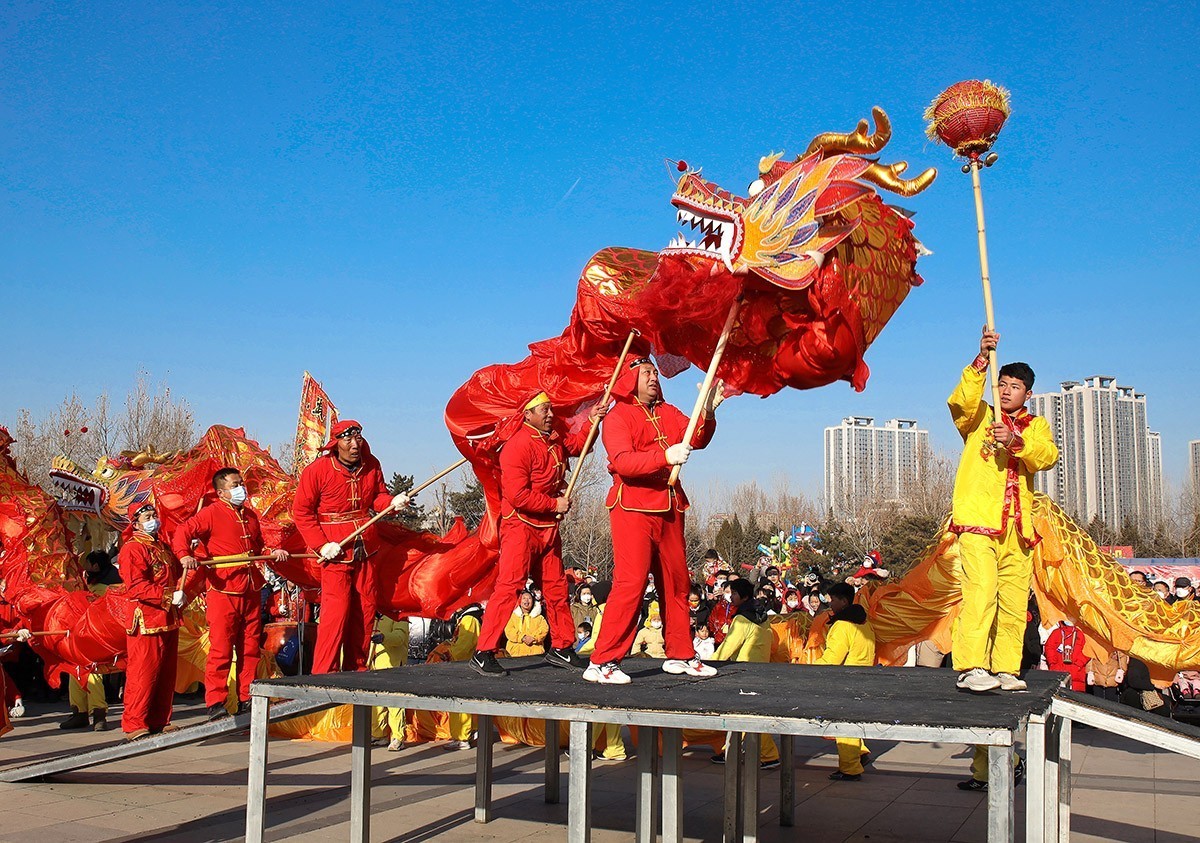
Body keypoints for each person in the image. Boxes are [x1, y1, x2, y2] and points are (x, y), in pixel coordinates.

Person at [583, 357, 723, 685]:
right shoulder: (618, 415)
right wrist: (664, 456)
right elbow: (623, 461)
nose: (654, 378)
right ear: (629, 378)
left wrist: (709, 411)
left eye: (655, 373)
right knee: (631, 583)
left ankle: (680, 653)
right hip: (633, 506)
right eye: (646, 372)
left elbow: (696, 437)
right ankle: (602, 660)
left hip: (670, 504)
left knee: (677, 583)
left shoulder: (667, 410)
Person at [948, 326, 1059, 693]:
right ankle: (971, 665)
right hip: (979, 520)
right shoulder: (979, 417)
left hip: (1018, 529)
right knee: (981, 592)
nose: (1007, 390)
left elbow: (1046, 456)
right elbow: (960, 402)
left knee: (1013, 600)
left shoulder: (1036, 426)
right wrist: (980, 358)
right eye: (1003, 383)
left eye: (1015, 386)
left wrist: (1015, 441)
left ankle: (1007, 668)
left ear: (1028, 393)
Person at [471, 393, 603, 676]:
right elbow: (517, 495)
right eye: (544, 410)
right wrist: (555, 503)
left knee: (556, 588)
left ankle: (563, 646)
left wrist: (592, 422)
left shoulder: (552, 439)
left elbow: (575, 446)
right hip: (520, 527)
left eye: (550, 409)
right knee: (510, 586)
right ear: (528, 414)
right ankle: (484, 651)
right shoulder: (517, 446)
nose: (550, 414)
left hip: (548, 528)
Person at [293, 420, 409, 674]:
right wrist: (321, 545)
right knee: (336, 613)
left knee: (366, 610)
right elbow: (302, 512)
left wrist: (392, 501)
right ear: (336, 444)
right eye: (348, 440)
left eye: (358, 439)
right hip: (335, 550)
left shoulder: (372, 464)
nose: (355, 445)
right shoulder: (317, 470)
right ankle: (324, 672)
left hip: (366, 547)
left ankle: (357, 668)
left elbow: (377, 497)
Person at [174, 468, 290, 719]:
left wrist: (274, 552)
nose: (242, 489)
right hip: (223, 588)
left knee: (250, 648)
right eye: (236, 485)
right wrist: (184, 554)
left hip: (250, 588)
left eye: (242, 484)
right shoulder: (211, 513)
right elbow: (183, 532)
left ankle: (248, 697)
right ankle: (216, 701)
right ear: (221, 492)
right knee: (222, 648)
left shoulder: (249, 515)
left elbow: (258, 546)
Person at [117, 502, 183, 742]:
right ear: (135, 523)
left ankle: (159, 719)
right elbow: (136, 586)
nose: (153, 519)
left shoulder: (162, 547)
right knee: (143, 672)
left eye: (154, 515)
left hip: (168, 615)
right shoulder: (132, 549)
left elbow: (176, 574)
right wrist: (166, 595)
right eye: (147, 516)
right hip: (146, 617)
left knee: (166, 673)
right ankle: (134, 723)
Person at [709, 579, 780, 768]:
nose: (730, 596)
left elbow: (728, 646)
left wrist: (709, 664)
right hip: (759, 668)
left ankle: (768, 754)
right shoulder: (760, 614)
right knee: (743, 714)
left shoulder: (742, 618)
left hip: (743, 671)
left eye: (733, 593)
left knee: (747, 714)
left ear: (744, 596)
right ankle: (730, 751)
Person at [816, 583, 875, 781]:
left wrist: (809, 669)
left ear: (844, 601)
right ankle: (860, 753)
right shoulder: (864, 621)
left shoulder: (842, 625)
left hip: (845, 681)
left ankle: (850, 768)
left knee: (844, 725)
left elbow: (832, 659)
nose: (830, 604)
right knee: (853, 722)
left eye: (832, 600)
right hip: (863, 678)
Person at [369, 613, 410, 751]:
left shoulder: (400, 616)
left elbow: (400, 637)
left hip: (392, 666)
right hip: (374, 665)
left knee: (395, 703)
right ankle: (379, 735)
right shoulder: (373, 615)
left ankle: (398, 737)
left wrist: (384, 638)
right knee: (377, 702)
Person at [1044, 619, 1088, 692]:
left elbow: (1087, 651)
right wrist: (1053, 663)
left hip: (1076, 675)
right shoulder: (1056, 633)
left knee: (1075, 701)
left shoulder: (1081, 634)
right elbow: (1049, 648)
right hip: (1058, 672)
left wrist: (1078, 665)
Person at [503, 591, 549, 657]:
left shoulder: (539, 618)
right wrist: (523, 637)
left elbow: (544, 629)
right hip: (514, 654)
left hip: (536, 653)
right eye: (524, 598)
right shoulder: (512, 616)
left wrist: (533, 638)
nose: (526, 600)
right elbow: (509, 630)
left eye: (529, 598)